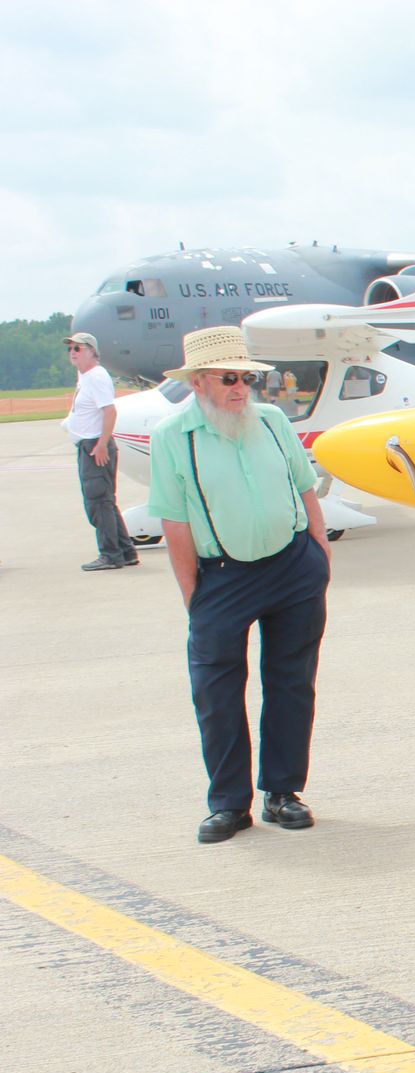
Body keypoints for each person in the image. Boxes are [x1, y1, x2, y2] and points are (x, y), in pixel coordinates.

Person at [145, 327, 332, 844]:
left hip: (294, 568)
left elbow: (304, 486)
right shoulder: (173, 437)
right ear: (199, 381)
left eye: (247, 377)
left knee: (292, 681)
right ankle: (229, 804)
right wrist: (194, 597)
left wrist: (319, 552)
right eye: (229, 378)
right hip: (222, 578)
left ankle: (283, 792)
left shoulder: (272, 421)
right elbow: (175, 522)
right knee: (216, 692)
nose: (241, 388)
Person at [63, 332, 139, 571]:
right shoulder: (85, 376)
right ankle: (125, 552)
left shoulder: (96, 376)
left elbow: (110, 412)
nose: (73, 353)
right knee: (105, 501)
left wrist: (101, 445)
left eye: (78, 348)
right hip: (89, 444)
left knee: (97, 502)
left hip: (95, 445)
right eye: (71, 349)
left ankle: (110, 554)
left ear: (92, 352)